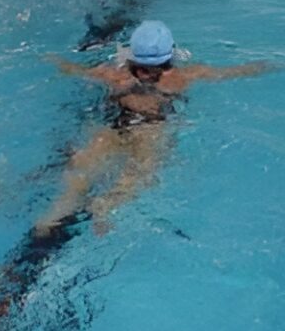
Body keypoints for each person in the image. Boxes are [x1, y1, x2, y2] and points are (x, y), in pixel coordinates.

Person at [34, 20, 268, 236]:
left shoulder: (114, 75)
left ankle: (53, 218)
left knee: (79, 175)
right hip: (149, 130)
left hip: (114, 124)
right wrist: (267, 66)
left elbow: (71, 69)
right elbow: (233, 72)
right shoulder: (181, 77)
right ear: (170, 55)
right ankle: (105, 205)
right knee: (138, 176)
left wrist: (47, 56)